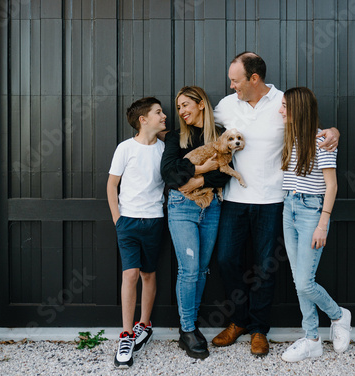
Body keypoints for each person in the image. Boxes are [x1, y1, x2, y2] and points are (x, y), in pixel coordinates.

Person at [211, 52, 340, 356]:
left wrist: (334, 132)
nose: (231, 86)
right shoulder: (228, 106)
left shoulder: (283, 102)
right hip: (234, 198)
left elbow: (313, 129)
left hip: (273, 200)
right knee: (227, 259)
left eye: (235, 80)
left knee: (264, 267)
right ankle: (238, 321)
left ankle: (259, 330)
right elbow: (201, 124)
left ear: (253, 78)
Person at [279, 87, 351, 362]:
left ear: (298, 108)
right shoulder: (290, 138)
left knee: (305, 283)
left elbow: (331, 186)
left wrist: (323, 223)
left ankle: (338, 315)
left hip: (312, 211)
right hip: (289, 209)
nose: (280, 110)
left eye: (285, 105)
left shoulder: (321, 140)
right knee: (300, 281)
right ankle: (312, 339)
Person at [160, 86, 231, 359]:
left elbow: (225, 173)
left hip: (211, 206)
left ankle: (191, 327)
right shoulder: (177, 136)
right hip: (182, 208)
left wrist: (197, 180)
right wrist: (202, 168)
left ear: (201, 104)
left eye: (185, 105)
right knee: (189, 270)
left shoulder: (221, 134)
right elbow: (168, 173)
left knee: (201, 270)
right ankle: (187, 329)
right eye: (178, 107)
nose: (181, 112)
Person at [107, 97, 167, 368]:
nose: (164, 115)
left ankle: (144, 324)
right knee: (130, 274)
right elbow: (112, 185)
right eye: (158, 112)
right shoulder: (125, 148)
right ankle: (127, 334)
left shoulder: (164, 149)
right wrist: (117, 219)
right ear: (143, 120)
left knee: (148, 273)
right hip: (128, 221)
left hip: (154, 220)